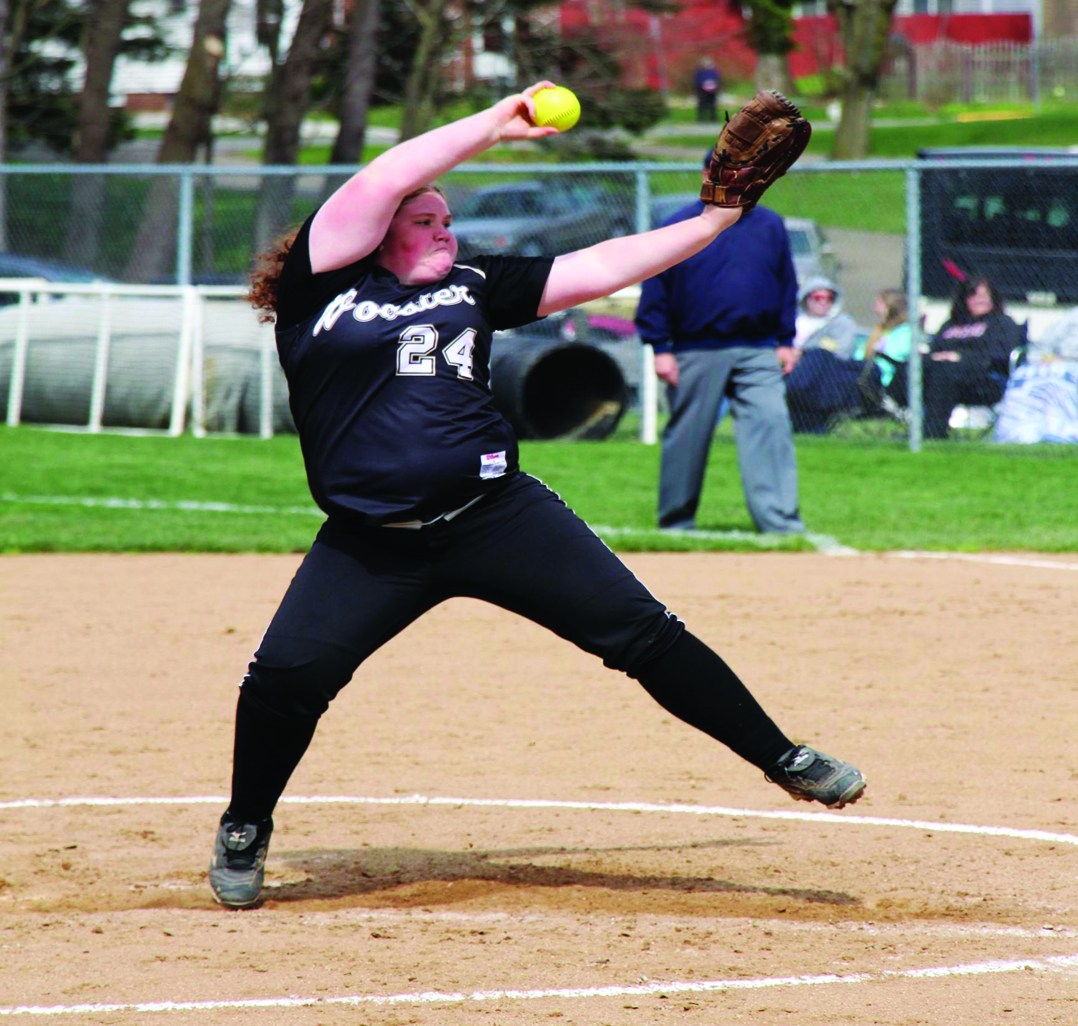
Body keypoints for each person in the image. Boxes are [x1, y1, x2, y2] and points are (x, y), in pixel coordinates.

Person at [207, 82, 865, 910]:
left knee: (644, 635)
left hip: (496, 514)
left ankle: (784, 757)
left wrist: (711, 223)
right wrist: (490, 125)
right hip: (370, 541)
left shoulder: (477, 284)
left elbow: (597, 268)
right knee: (286, 679)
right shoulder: (322, 290)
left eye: (449, 220)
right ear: (375, 237)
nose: (444, 229)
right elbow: (380, 180)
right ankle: (245, 825)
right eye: (426, 221)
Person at [634, 156, 805, 534]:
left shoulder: (769, 224)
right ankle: (676, 522)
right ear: (705, 174)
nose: (731, 178)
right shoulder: (679, 225)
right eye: (721, 170)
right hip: (696, 349)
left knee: (771, 425)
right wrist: (659, 346)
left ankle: (780, 523)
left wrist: (786, 339)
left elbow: (786, 285)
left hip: (760, 347)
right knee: (687, 437)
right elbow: (656, 289)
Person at [891, 277, 1024, 439]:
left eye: (985, 295)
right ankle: (887, 408)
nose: (980, 299)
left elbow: (1000, 356)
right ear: (964, 299)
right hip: (941, 375)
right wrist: (938, 357)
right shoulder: (950, 325)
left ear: (993, 298)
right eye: (974, 295)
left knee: (945, 372)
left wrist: (960, 357)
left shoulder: (1003, 323)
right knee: (912, 366)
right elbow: (934, 351)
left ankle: (932, 433)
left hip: (984, 381)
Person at [693, 58, 721, 124]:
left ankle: (713, 119)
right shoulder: (699, 72)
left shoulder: (714, 72)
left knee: (713, 106)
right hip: (702, 91)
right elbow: (697, 81)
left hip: (712, 92)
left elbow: (717, 80)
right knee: (701, 105)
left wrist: (714, 86)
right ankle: (701, 119)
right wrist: (703, 86)